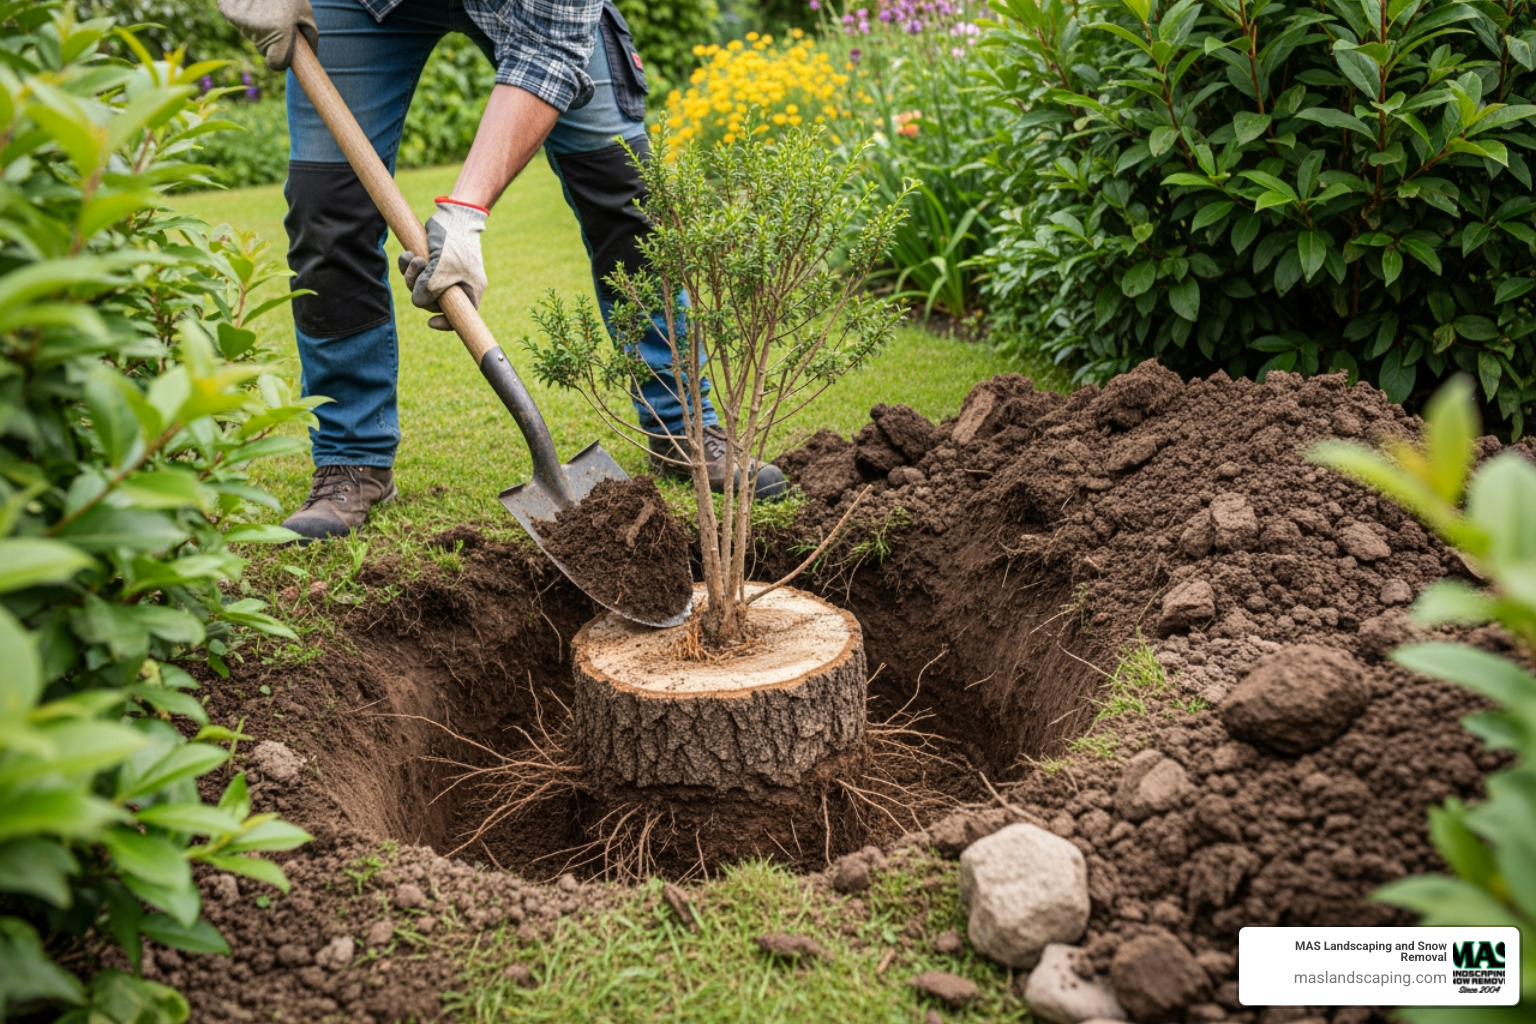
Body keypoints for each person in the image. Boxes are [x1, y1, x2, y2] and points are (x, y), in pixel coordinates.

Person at [218, 0, 787, 542]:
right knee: (325, 212)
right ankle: (352, 458)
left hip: (536, 14)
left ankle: (680, 424)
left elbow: (552, 47)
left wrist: (464, 215)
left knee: (623, 190)